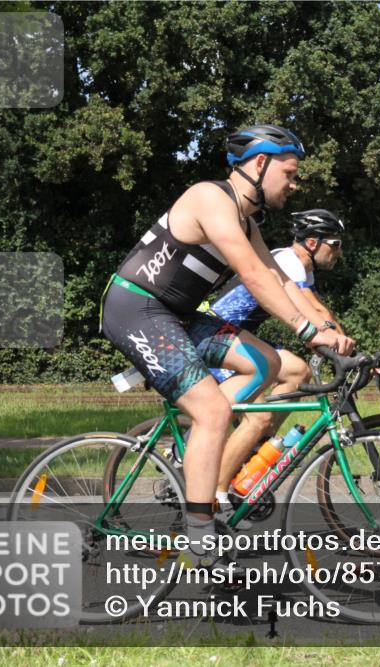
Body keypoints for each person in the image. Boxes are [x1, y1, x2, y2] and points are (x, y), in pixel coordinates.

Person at [99, 125, 355, 567]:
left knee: (267, 362)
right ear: (260, 163)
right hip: (135, 307)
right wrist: (306, 331)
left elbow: (278, 279)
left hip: (176, 315)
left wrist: (326, 330)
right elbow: (254, 277)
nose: (293, 184)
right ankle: (200, 536)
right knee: (214, 410)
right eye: (289, 173)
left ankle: (200, 441)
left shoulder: (247, 220)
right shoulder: (209, 198)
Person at [201, 208, 347, 508]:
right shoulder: (286, 262)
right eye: (335, 244)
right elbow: (316, 315)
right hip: (217, 343)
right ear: (311, 243)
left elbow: (321, 314)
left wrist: (342, 345)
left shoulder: (302, 270)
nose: (339, 252)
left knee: (297, 372)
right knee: (261, 416)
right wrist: (344, 349)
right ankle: (215, 497)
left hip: (240, 339)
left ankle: (253, 448)